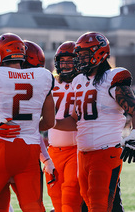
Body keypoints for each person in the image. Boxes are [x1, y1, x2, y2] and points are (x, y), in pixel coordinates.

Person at [54, 32, 135, 211]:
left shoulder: (112, 78)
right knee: (91, 205)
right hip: (83, 154)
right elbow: (75, 121)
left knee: (99, 205)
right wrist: (49, 122)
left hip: (106, 151)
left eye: (85, 55)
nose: (79, 60)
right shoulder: (78, 81)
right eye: (78, 56)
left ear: (99, 54)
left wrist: (134, 137)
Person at [0, 33, 55, 211]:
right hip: (29, 153)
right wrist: (26, 128)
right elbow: (49, 122)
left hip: (0, 150)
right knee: (34, 206)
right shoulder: (44, 76)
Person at [46, 41, 84, 212]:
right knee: (56, 198)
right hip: (53, 150)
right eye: (63, 60)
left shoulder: (83, 82)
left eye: (71, 60)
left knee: (71, 193)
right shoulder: (49, 83)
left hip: (76, 149)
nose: (66, 64)